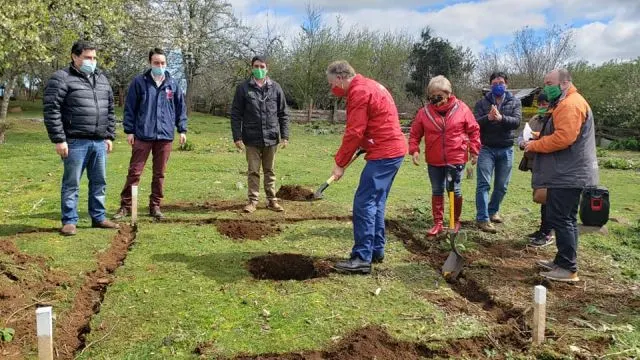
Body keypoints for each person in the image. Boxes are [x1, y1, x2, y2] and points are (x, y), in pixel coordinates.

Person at [326, 60, 408, 274]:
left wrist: (339, 163)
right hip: (392, 150)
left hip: (385, 152)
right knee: (377, 201)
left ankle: (361, 258)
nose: (331, 87)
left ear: (340, 78)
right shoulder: (370, 85)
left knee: (363, 202)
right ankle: (375, 250)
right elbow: (372, 124)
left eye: (331, 82)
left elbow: (354, 131)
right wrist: (365, 144)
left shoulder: (359, 92)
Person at [525, 68, 599, 282]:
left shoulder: (571, 104)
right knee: (561, 217)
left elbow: (564, 138)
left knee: (563, 218)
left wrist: (535, 145)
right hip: (566, 172)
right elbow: (558, 133)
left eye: (549, 82)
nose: (546, 87)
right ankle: (561, 260)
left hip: (569, 173)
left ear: (564, 83)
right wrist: (536, 137)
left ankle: (568, 267)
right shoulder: (564, 103)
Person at [43, 40, 119, 236]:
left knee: (99, 182)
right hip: (75, 141)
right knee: (72, 183)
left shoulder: (102, 79)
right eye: (87, 57)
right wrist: (59, 139)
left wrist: (109, 136)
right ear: (75, 57)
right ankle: (69, 221)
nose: (91, 61)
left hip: (99, 141)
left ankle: (99, 217)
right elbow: (52, 110)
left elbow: (110, 109)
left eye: (94, 58)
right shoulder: (61, 78)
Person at [113, 48, 188, 221]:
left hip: (165, 136)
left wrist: (182, 129)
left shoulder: (173, 84)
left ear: (166, 64)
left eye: (162, 63)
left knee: (159, 173)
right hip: (142, 134)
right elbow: (130, 108)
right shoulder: (139, 82)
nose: (159, 66)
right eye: (156, 63)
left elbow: (180, 109)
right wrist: (129, 130)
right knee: (135, 172)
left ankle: (155, 206)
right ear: (150, 63)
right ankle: (126, 206)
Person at [409, 76, 481, 240]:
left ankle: (454, 222)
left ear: (448, 94)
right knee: (436, 190)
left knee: (453, 190)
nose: (435, 99)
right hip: (434, 159)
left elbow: (474, 130)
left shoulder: (462, 109)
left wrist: (474, 150)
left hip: (455, 158)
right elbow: (415, 133)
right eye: (432, 96)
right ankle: (438, 223)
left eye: (439, 95)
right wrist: (414, 150)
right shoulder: (424, 113)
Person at [231, 55, 289, 213]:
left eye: (262, 67)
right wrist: (237, 137)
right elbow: (236, 114)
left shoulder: (276, 88)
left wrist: (285, 136)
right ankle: (253, 201)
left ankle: (272, 200)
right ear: (252, 68)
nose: (259, 69)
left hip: (271, 137)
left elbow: (283, 113)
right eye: (256, 66)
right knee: (253, 171)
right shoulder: (243, 88)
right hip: (251, 138)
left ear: (267, 68)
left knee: (270, 171)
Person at [474, 72, 522, 233]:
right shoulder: (482, 103)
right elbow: (474, 124)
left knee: (502, 186)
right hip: (486, 148)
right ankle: (482, 218)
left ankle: (493, 211)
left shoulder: (514, 102)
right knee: (484, 183)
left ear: (506, 84)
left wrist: (501, 118)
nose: (498, 85)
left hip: (506, 148)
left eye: (500, 82)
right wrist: (488, 117)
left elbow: (516, 122)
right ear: (490, 85)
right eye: (494, 83)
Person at [516, 93, 553, 247]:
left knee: (548, 199)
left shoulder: (554, 120)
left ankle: (548, 232)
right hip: (534, 163)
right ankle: (542, 229)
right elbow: (521, 136)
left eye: (546, 104)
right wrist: (522, 143)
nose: (542, 107)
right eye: (540, 104)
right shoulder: (534, 119)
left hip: (549, 165)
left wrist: (538, 141)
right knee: (542, 198)